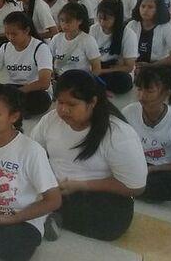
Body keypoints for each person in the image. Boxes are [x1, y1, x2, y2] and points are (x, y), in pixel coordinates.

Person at [30, 70, 147, 241]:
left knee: (113, 221)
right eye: (60, 102)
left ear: (92, 102)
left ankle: (44, 213)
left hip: (94, 194)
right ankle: (47, 212)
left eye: (72, 104)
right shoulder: (50, 120)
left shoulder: (118, 134)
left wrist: (81, 185)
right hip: (55, 187)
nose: (63, 110)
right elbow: (32, 153)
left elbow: (136, 187)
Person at [0, 85, 61, 261]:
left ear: (14, 117)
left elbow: (54, 200)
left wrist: (10, 219)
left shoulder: (31, 151)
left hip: (21, 218)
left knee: (18, 254)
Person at [122, 67, 171, 202]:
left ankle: (124, 189)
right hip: (138, 163)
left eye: (149, 91)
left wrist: (155, 169)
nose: (141, 96)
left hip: (166, 170)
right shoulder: (129, 112)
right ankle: (129, 188)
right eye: (139, 89)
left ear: (166, 93)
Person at [0, 11, 53, 117]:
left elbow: (44, 82)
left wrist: (17, 92)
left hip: (32, 90)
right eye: (7, 34)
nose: (10, 37)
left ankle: (2, 107)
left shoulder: (40, 48)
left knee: (41, 100)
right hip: (11, 88)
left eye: (14, 34)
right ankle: (9, 107)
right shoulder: (5, 47)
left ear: (27, 30)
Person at [91, 0, 137, 94]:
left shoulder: (128, 34)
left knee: (124, 81)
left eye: (106, 19)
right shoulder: (93, 29)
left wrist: (102, 71)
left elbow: (129, 67)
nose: (102, 22)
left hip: (113, 69)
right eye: (100, 18)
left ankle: (98, 86)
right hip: (96, 65)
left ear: (116, 18)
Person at [127, 0, 171, 69]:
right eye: (143, 6)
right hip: (133, 65)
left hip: (157, 66)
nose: (145, 10)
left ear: (158, 10)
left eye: (150, 7)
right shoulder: (132, 24)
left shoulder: (166, 28)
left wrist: (152, 66)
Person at [49, 2, 101, 77]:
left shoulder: (88, 40)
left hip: (80, 80)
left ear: (79, 21)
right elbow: (49, 60)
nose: (64, 25)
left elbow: (97, 68)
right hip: (59, 78)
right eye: (62, 21)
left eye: (68, 21)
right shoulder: (56, 38)